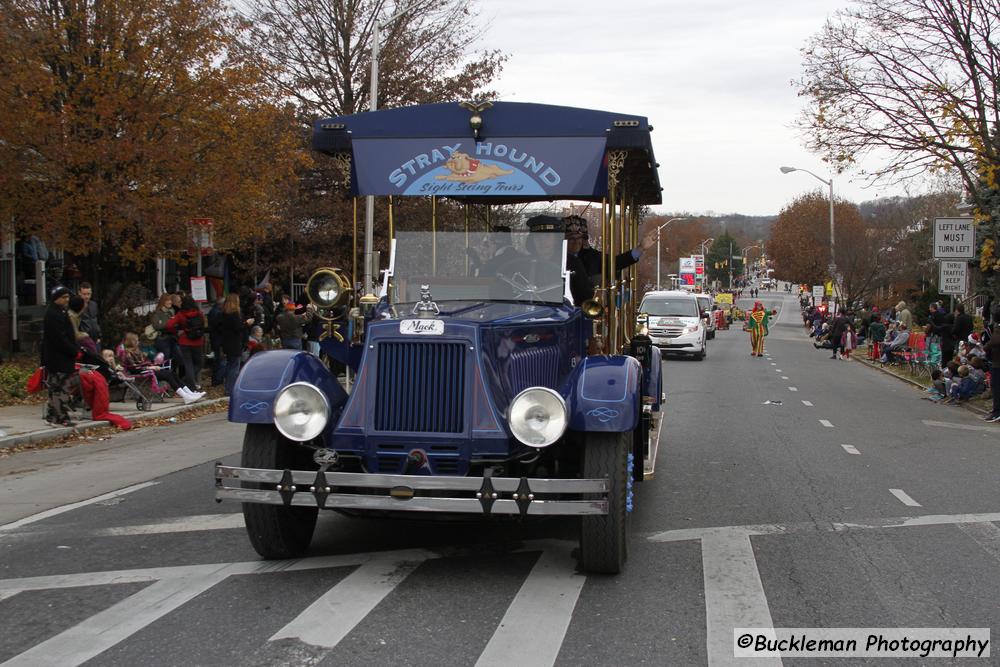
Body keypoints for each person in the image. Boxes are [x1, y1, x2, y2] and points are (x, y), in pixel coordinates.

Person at [564, 215, 654, 288]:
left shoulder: (593, 257)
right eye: (571, 239)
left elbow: (617, 262)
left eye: (579, 238)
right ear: (564, 240)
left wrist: (641, 248)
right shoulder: (557, 258)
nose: (576, 242)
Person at [521, 215, 592, 306]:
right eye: (537, 237)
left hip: (564, 316)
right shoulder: (523, 264)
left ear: (556, 239)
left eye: (547, 236)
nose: (542, 241)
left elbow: (585, 298)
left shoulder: (572, 263)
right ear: (531, 240)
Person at [121, 332, 203, 403]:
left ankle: (189, 393)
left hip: (146, 370)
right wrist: (150, 368)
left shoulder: (137, 351)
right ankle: (185, 396)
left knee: (172, 373)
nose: (138, 342)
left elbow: (144, 363)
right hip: (142, 372)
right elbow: (134, 368)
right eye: (137, 340)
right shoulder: (128, 353)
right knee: (168, 375)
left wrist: (153, 365)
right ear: (132, 342)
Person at [41, 286, 80, 426]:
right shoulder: (53, 315)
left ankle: (52, 415)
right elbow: (59, 338)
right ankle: (61, 417)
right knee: (60, 388)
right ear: (56, 298)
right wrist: (73, 351)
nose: (67, 300)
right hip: (58, 358)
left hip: (61, 357)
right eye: (63, 297)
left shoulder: (60, 312)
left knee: (55, 387)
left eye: (67, 297)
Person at [166, 295, 207, 391]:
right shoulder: (199, 313)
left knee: (188, 364)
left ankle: (189, 383)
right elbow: (203, 324)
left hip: (184, 341)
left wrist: (177, 331)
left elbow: (169, 325)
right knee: (199, 364)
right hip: (197, 341)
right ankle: (187, 381)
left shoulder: (180, 314)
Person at [220, 293, 253, 395]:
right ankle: (230, 389)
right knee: (234, 367)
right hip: (234, 343)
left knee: (230, 365)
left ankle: (228, 388)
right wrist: (247, 323)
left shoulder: (224, 313)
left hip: (227, 342)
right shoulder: (234, 314)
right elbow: (238, 328)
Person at [983, 307, 1000, 421]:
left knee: (996, 387)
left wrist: (986, 346)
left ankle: (997, 411)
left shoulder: (997, 328)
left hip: (997, 362)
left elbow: (995, 340)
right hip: (995, 360)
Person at [78, 281, 101, 346]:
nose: (87, 296)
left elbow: (97, 320)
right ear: (79, 293)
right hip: (83, 340)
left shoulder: (94, 304)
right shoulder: (76, 306)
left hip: (95, 339)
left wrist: (99, 336)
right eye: (84, 294)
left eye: (88, 294)